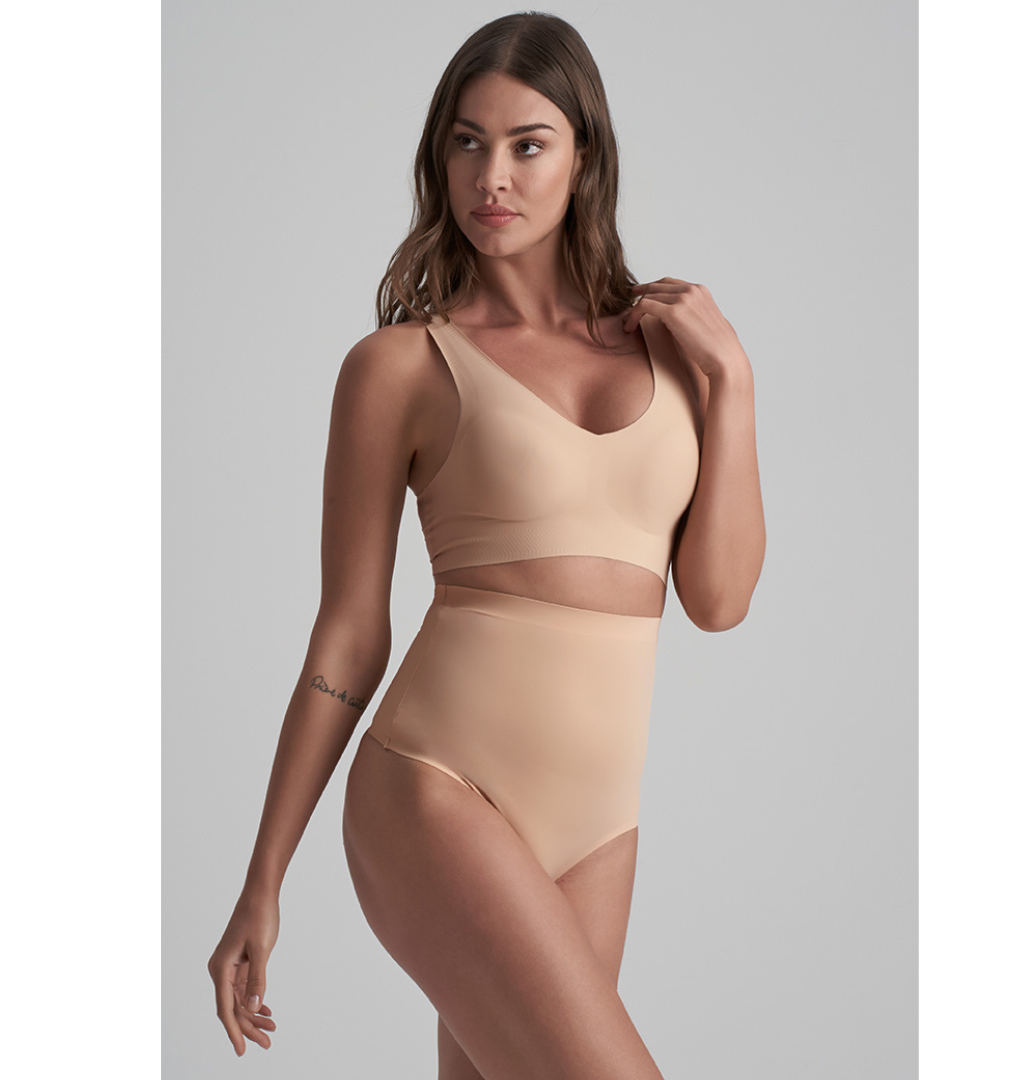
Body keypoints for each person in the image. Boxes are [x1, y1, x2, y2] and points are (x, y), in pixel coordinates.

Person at [207, 11, 765, 1077]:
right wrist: (263, 879)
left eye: (526, 144)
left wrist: (734, 384)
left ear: (583, 157)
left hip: (599, 822)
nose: (491, 176)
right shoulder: (401, 366)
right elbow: (349, 634)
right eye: (467, 142)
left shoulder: (679, 354)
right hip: (435, 783)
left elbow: (719, 599)